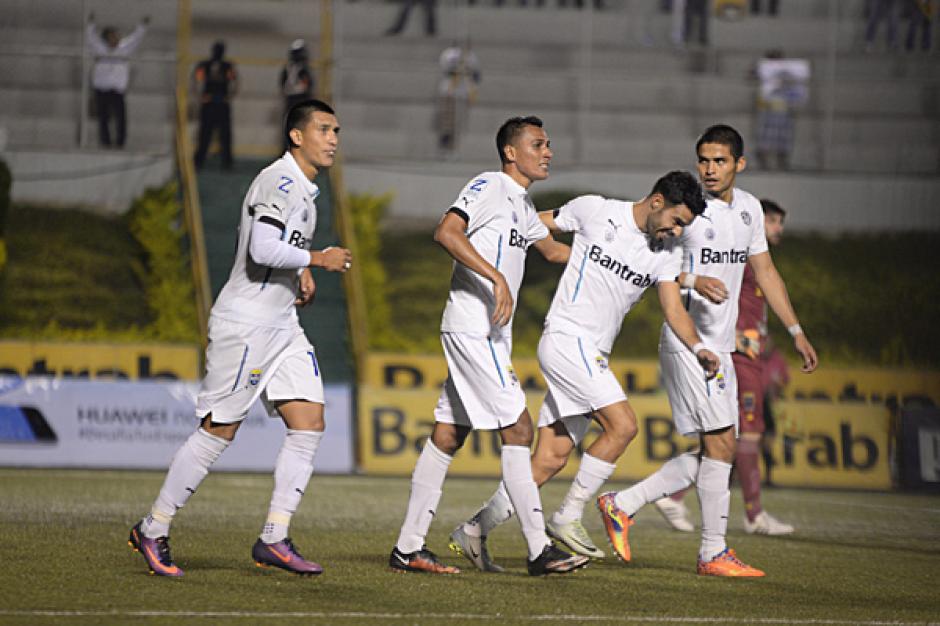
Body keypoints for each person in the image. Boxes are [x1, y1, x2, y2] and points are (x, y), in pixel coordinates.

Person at [447, 171, 719, 571]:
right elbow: (528, 223)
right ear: (657, 201)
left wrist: (699, 347)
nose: (676, 231)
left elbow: (673, 308)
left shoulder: (666, 253)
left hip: (594, 352)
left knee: (549, 459)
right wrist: (504, 251)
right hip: (564, 339)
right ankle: (569, 515)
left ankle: (474, 529)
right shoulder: (595, 210)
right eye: (676, 221)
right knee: (623, 425)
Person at [128, 99, 353, 577]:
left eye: (336, 131)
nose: (333, 139)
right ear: (296, 136)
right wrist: (317, 259)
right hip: (246, 325)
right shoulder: (279, 180)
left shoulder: (303, 189)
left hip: (283, 326)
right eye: (324, 129)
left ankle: (274, 537)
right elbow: (262, 247)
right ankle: (153, 527)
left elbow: (280, 247)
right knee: (219, 430)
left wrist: (299, 274)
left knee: (309, 422)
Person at [596, 124, 818, 577]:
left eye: (720, 160)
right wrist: (695, 280)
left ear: (740, 163)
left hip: (722, 347)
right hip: (688, 344)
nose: (710, 169)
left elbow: (766, 272)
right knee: (721, 444)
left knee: (722, 447)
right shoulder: (688, 211)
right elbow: (651, 267)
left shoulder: (750, 209)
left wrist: (795, 330)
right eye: (703, 160)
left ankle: (624, 504)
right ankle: (712, 552)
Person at [389, 116, 587, 577]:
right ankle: (538, 550)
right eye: (538, 144)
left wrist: (620, 253)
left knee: (448, 434)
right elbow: (446, 232)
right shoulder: (489, 185)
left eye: (548, 144)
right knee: (518, 429)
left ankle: (408, 548)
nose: (548, 152)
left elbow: (556, 252)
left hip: (490, 332)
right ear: (511, 152)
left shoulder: (522, 203)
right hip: (472, 327)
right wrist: (495, 276)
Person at [654, 198, 796, 535]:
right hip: (738, 354)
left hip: (750, 354)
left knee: (728, 439)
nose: (778, 228)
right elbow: (707, 293)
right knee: (745, 435)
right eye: (772, 221)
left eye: (779, 222)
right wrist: (736, 336)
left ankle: (674, 496)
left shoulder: (757, 263)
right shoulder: (739, 258)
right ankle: (753, 514)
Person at [86, 12, 149, 149]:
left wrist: (142, 26)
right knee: (103, 117)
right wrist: (90, 24)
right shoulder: (99, 49)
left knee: (121, 117)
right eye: (112, 36)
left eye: (117, 36)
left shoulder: (124, 49)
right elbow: (91, 39)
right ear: (106, 39)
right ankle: (105, 142)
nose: (116, 38)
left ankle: (120, 142)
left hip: (117, 90)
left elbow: (135, 39)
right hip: (101, 89)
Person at [193, 41, 238, 170]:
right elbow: (196, 80)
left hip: (222, 103)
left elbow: (235, 81)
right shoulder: (205, 65)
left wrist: (229, 97)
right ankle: (199, 160)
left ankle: (227, 162)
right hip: (209, 103)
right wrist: (200, 96)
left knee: (225, 134)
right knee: (205, 133)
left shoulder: (227, 66)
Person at [436, 41, 481, 155]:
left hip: (463, 91)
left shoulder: (470, 56)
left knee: (459, 122)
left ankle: (454, 146)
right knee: (447, 119)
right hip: (450, 90)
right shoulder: (449, 54)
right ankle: (445, 142)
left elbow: (476, 75)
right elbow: (446, 70)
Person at [281, 39, 316, 125]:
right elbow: (308, 85)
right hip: (300, 101)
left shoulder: (288, 68)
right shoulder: (302, 69)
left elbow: (282, 84)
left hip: (292, 101)